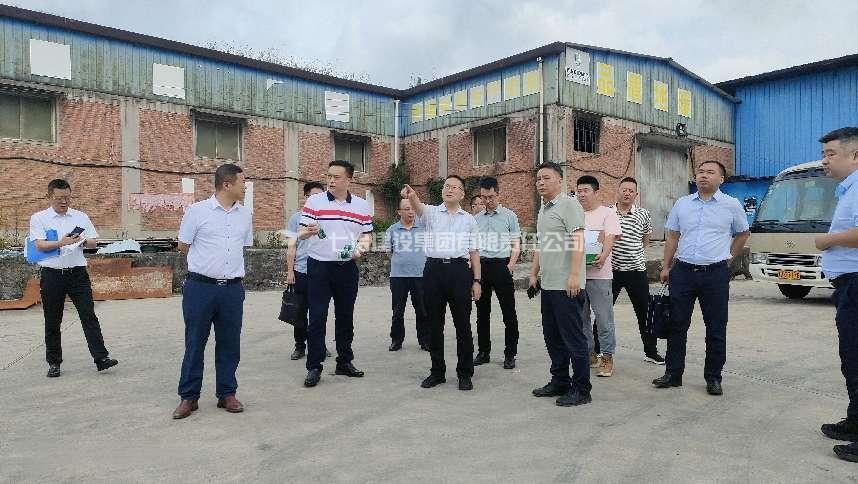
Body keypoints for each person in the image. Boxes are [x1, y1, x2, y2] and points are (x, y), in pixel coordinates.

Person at [653, 160, 750, 396]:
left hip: (715, 274)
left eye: (710, 172)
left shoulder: (731, 205)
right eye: (701, 171)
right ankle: (673, 373)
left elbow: (743, 233)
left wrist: (728, 258)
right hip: (683, 272)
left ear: (721, 179)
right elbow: (673, 236)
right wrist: (666, 266)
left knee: (715, 327)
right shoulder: (682, 203)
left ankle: (713, 377)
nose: (704, 175)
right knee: (677, 324)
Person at [173, 164, 252, 419]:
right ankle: (189, 396)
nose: (245, 187)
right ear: (227, 185)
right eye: (242, 182)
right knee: (195, 342)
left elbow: (243, 247)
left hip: (232, 289)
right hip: (200, 288)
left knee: (230, 343)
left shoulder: (245, 215)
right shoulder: (197, 212)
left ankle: (227, 393)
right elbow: (183, 246)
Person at [29, 179, 119, 378]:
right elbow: (40, 245)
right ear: (49, 196)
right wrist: (62, 242)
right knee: (53, 320)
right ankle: (54, 362)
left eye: (67, 198)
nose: (64, 201)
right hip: (52, 275)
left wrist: (83, 241)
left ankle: (101, 358)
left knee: (89, 316)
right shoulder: (39, 218)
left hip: (77, 274)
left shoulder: (80, 216)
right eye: (59, 198)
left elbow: (94, 243)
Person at [401, 175, 482, 391]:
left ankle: (465, 373)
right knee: (434, 324)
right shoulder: (431, 213)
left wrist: (477, 280)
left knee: (463, 324)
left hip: (459, 271)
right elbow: (417, 207)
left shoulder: (469, 220)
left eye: (455, 187)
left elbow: (474, 252)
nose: (449, 189)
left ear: (462, 194)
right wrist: (412, 196)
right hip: (434, 271)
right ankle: (437, 372)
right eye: (447, 186)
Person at [299, 160, 373, 388]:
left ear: (349, 180)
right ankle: (314, 366)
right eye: (329, 176)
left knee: (345, 316)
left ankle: (344, 361)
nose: (331, 180)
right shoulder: (315, 201)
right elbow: (300, 232)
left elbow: (367, 236)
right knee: (317, 317)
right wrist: (308, 231)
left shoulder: (361, 206)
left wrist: (359, 251)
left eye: (336, 177)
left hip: (347, 268)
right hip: (319, 267)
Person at [529, 162, 591, 407]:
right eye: (538, 179)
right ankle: (560, 381)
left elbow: (578, 240)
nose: (541, 182)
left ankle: (582, 389)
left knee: (573, 339)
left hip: (567, 286)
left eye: (546, 177)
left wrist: (575, 275)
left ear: (559, 180)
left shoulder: (569, 205)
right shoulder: (544, 209)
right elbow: (542, 245)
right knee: (553, 337)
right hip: (549, 285)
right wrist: (534, 274)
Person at [814, 127, 858, 463]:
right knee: (851, 358)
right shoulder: (848, 190)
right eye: (824, 154)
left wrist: (828, 241)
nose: (824, 161)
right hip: (848, 285)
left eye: (831, 154)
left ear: (855, 155)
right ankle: (855, 422)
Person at [611, 177, 664, 364]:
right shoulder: (608, 213)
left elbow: (646, 237)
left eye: (631, 191)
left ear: (636, 194)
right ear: (618, 191)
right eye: (624, 190)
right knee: (604, 313)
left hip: (637, 271)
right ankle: (598, 351)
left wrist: (636, 252)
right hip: (611, 271)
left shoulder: (643, 214)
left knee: (645, 313)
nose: (627, 193)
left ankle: (651, 352)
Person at [473, 177, 521, 369]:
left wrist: (510, 265)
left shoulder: (509, 216)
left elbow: (516, 243)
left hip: (502, 266)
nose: (487, 201)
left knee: (508, 312)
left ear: (498, 194)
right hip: (482, 267)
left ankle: (510, 354)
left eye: (491, 197)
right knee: (482, 313)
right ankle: (483, 352)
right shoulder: (476, 219)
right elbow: (472, 247)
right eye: (484, 197)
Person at [576, 175, 621, 378]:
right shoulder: (575, 213)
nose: (581, 194)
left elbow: (610, 236)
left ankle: (607, 357)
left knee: (604, 319)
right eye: (579, 191)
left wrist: (604, 255)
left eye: (586, 190)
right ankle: (589, 354)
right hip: (578, 275)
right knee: (581, 319)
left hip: (600, 275)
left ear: (596, 192)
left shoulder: (607, 213)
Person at [283, 181, 330, 361]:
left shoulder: (327, 218)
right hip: (301, 270)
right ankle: (300, 346)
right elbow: (291, 246)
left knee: (319, 312)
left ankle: (319, 345)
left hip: (322, 271)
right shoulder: (296, 219)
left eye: (320, 196)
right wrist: (290, 271)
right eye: (313, 196)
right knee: (300, 311)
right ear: (306, 197)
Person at [384, 198, 429, 351]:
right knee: (398, 310)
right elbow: (389, 251)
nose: (411, 212)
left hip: (420, 275)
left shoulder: (423, 228)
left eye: (413, 209)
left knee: (422, 310)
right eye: (407, 209)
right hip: (398, 276)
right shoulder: (392, 230)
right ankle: (396, 340)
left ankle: (425, 340)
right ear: (399, 212)